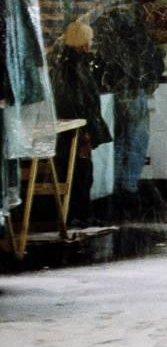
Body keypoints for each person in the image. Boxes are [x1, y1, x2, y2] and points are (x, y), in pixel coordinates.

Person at [94, 0, 167, 220]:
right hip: (136, 92)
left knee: (119, 143)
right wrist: (151, 81)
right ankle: (130, 188)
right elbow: (155, 60)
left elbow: (102, 64)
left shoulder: (108, 34)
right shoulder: (139, 34)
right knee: (136, 143)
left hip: (115, 94)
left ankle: (114, 189)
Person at [52, 19, 111, 229]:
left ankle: (79, 214)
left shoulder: (68, 65)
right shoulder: (75, 68)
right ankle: (80, 214)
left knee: (80, 172)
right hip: (77, 130)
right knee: (81, 173)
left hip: (75, 129)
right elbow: (77, 101)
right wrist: (85, 131)